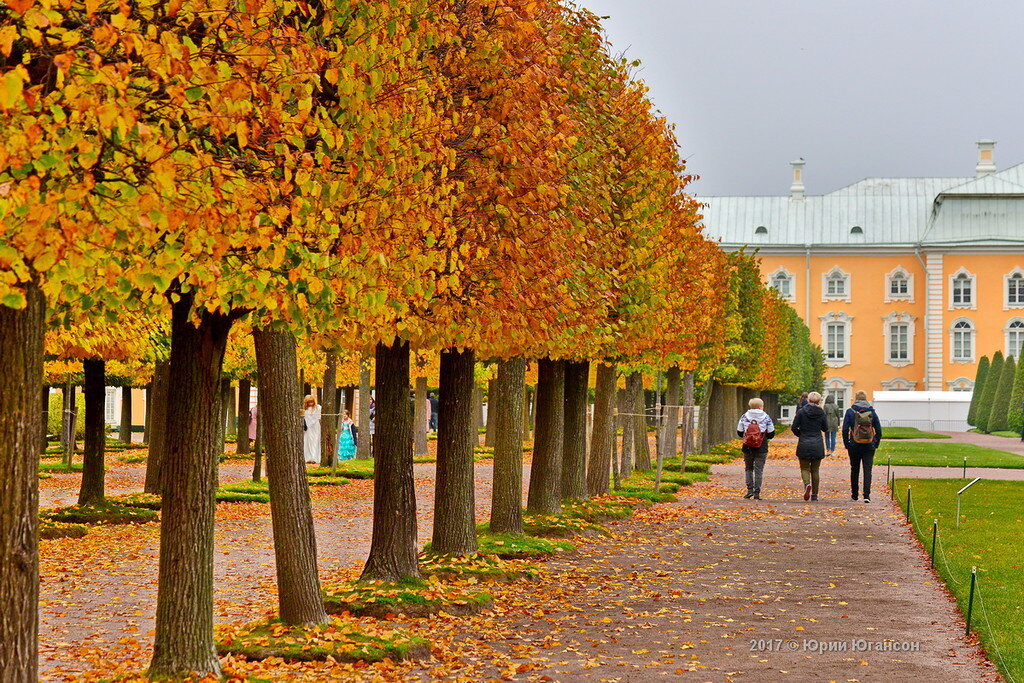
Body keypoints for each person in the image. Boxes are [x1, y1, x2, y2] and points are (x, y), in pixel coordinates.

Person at [842, 390, 883, 503]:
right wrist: (876, 443)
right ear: (866, 399)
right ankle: (866, 495)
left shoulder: (850, 411)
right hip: (869, 444)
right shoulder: (872, 412)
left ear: (856, 398)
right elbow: (878, 430)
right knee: (867, 470)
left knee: (854, 469)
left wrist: (847, 443)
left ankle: (854, 495)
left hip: (854, 444)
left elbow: (845, 429)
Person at [791, 391, 829, 501]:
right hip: (817, 443)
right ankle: (815, 495)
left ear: (808, 400)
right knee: (815, 470)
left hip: (804, 443)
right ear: (819, 401)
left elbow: (794, 427)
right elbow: (825, 428)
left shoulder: (801, 412)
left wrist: (800, 435)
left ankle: (807, 484)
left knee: (804, 468)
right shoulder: (821, 413)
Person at [737, 397, 776, 500]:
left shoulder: (744, 416)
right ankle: (757, 493)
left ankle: (749, 490)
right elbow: (771, 434)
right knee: (759, 470)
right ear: (760, 406)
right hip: (761, 446)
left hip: (747, 446)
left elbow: (739, 432)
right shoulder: (766, 417)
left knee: (748, 468)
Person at [302, 395, 321, 464]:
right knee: (307, 441)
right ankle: (308, 457)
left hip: (316, 426)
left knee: (315, 441)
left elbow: (318, 417)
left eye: (312, 402)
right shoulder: (304, 410)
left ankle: (315, 457)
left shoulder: (318, 407)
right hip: (308, 427)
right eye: (309, 402)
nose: (310, 404)